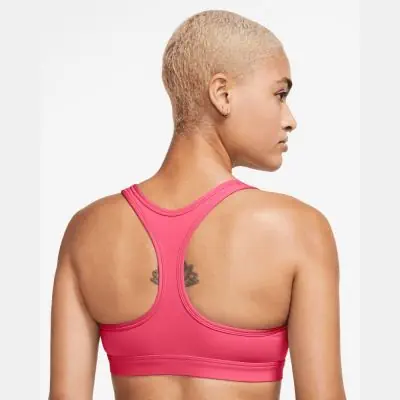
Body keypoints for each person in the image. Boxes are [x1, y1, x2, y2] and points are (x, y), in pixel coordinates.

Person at [49, 9, 347, 400]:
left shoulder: (86, 232)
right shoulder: (299, 231)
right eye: (279, 94)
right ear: (222, 94)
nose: (290, 119)